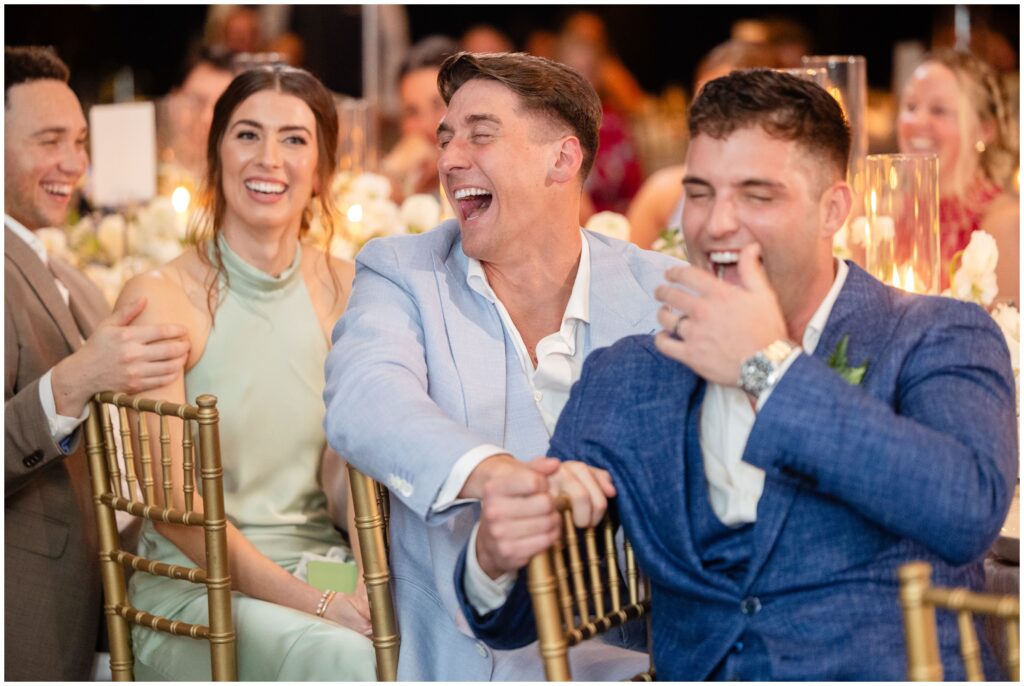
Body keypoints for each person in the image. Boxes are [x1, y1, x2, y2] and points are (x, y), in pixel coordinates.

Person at [458, 69, 1017, 680]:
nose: (717, 223)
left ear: (833, 209)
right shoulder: (629, 376)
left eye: (757, 195)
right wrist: (495, 554)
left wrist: (765, 367)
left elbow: (965, 511)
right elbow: (518, 618)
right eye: (700, 193)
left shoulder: (934, 335)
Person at [323, 51, 681, 680]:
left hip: (644, 651)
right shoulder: (403, 272)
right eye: (445, 137)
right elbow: (365, 397)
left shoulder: (659, 289)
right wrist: (499, 479)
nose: (450, 158)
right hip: (476, 655)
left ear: (562, 159)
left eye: (480, 135)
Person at [115, 65, 375, 680]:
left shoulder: (350, 289)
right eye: (247, 134)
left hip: (322, 561)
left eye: (294, 139)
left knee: (441, 630)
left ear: (322, 170)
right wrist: (314, 604)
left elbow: (357, 468)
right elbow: (173, 509)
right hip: (197, 586)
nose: (269, 159)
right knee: (342, 653)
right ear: (216, 155)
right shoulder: (162, 296)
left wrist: (369, 581)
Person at [4, 46, 191, 680]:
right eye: (49, 140)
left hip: (102, 600)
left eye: (80, 141)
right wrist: (81, 375)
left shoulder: (71, 279)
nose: (73, 163)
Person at [627, 40, 780, 249]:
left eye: (729, 103)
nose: (712, 115)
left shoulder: (786, 197)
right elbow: (627, 276)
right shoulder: (663, 193)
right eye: (703, 102)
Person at [897, 49, 1018, 304]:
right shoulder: (885, 214)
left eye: (939, 110)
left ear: (985, 130)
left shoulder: (1007, 224)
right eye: (910, 106)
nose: (917, 121)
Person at [381, 35, 457, 201]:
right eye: (412, 112)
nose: (426, 124)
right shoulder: (406, 188)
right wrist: (392, 175)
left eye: (438, 105)